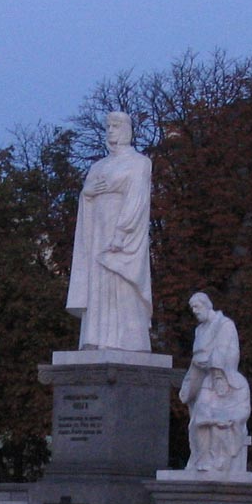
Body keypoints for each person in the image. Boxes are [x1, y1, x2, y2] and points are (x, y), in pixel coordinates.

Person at [66, 111, 153, 352]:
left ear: (127, 129)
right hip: (97, 234)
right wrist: (88, 192)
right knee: (98, 284)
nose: (111, 131)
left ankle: (127, 341)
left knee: (122, 282)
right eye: (108, 126)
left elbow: (137, 200)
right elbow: (87, 194)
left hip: (122, 237)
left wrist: (122, 233)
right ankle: (95, 337)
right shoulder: (98, 166)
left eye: (116, 126)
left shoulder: (139, 162)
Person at [178, 293, 251, 474]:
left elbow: (227, 351)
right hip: (205, 378)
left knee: (213, 424)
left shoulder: (224, 325)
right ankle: (200, 459)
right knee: (197, 422)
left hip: (221, 377)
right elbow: (196, 358)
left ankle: (215, 460)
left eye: (197, 306)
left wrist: (214, 367)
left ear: (206, 305)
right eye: (192, 308)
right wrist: (189, 383)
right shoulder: (199, 330)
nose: (194, 311)